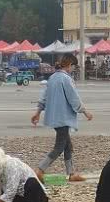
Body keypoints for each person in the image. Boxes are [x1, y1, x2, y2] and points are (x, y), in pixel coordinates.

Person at [32, 54, 93, 183]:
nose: (73, 69)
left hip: (54, 118)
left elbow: (44, 97)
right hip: (63, 118)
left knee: (67, 145)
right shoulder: (66, 79)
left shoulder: (52, 78)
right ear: (70, 65)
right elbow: (73, 98)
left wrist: (37, 112)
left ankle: (71, 173)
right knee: (59, 146)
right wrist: (85, 111)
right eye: (74, 67)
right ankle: (40, 170)